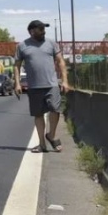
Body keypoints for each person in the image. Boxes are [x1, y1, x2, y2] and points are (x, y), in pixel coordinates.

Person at [14, 20, 68, 153]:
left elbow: (60, 62)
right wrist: (17, 83)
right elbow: (17, 65)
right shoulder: (22, 46)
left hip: (52, 84)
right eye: (41, 29)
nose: (44, 31)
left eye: (44, 29)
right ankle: (42, 144)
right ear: (32, 31)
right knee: (38, 115)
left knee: (55, 109)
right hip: (34, 86)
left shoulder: (51, 44)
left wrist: (65, 81)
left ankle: (51, 135)